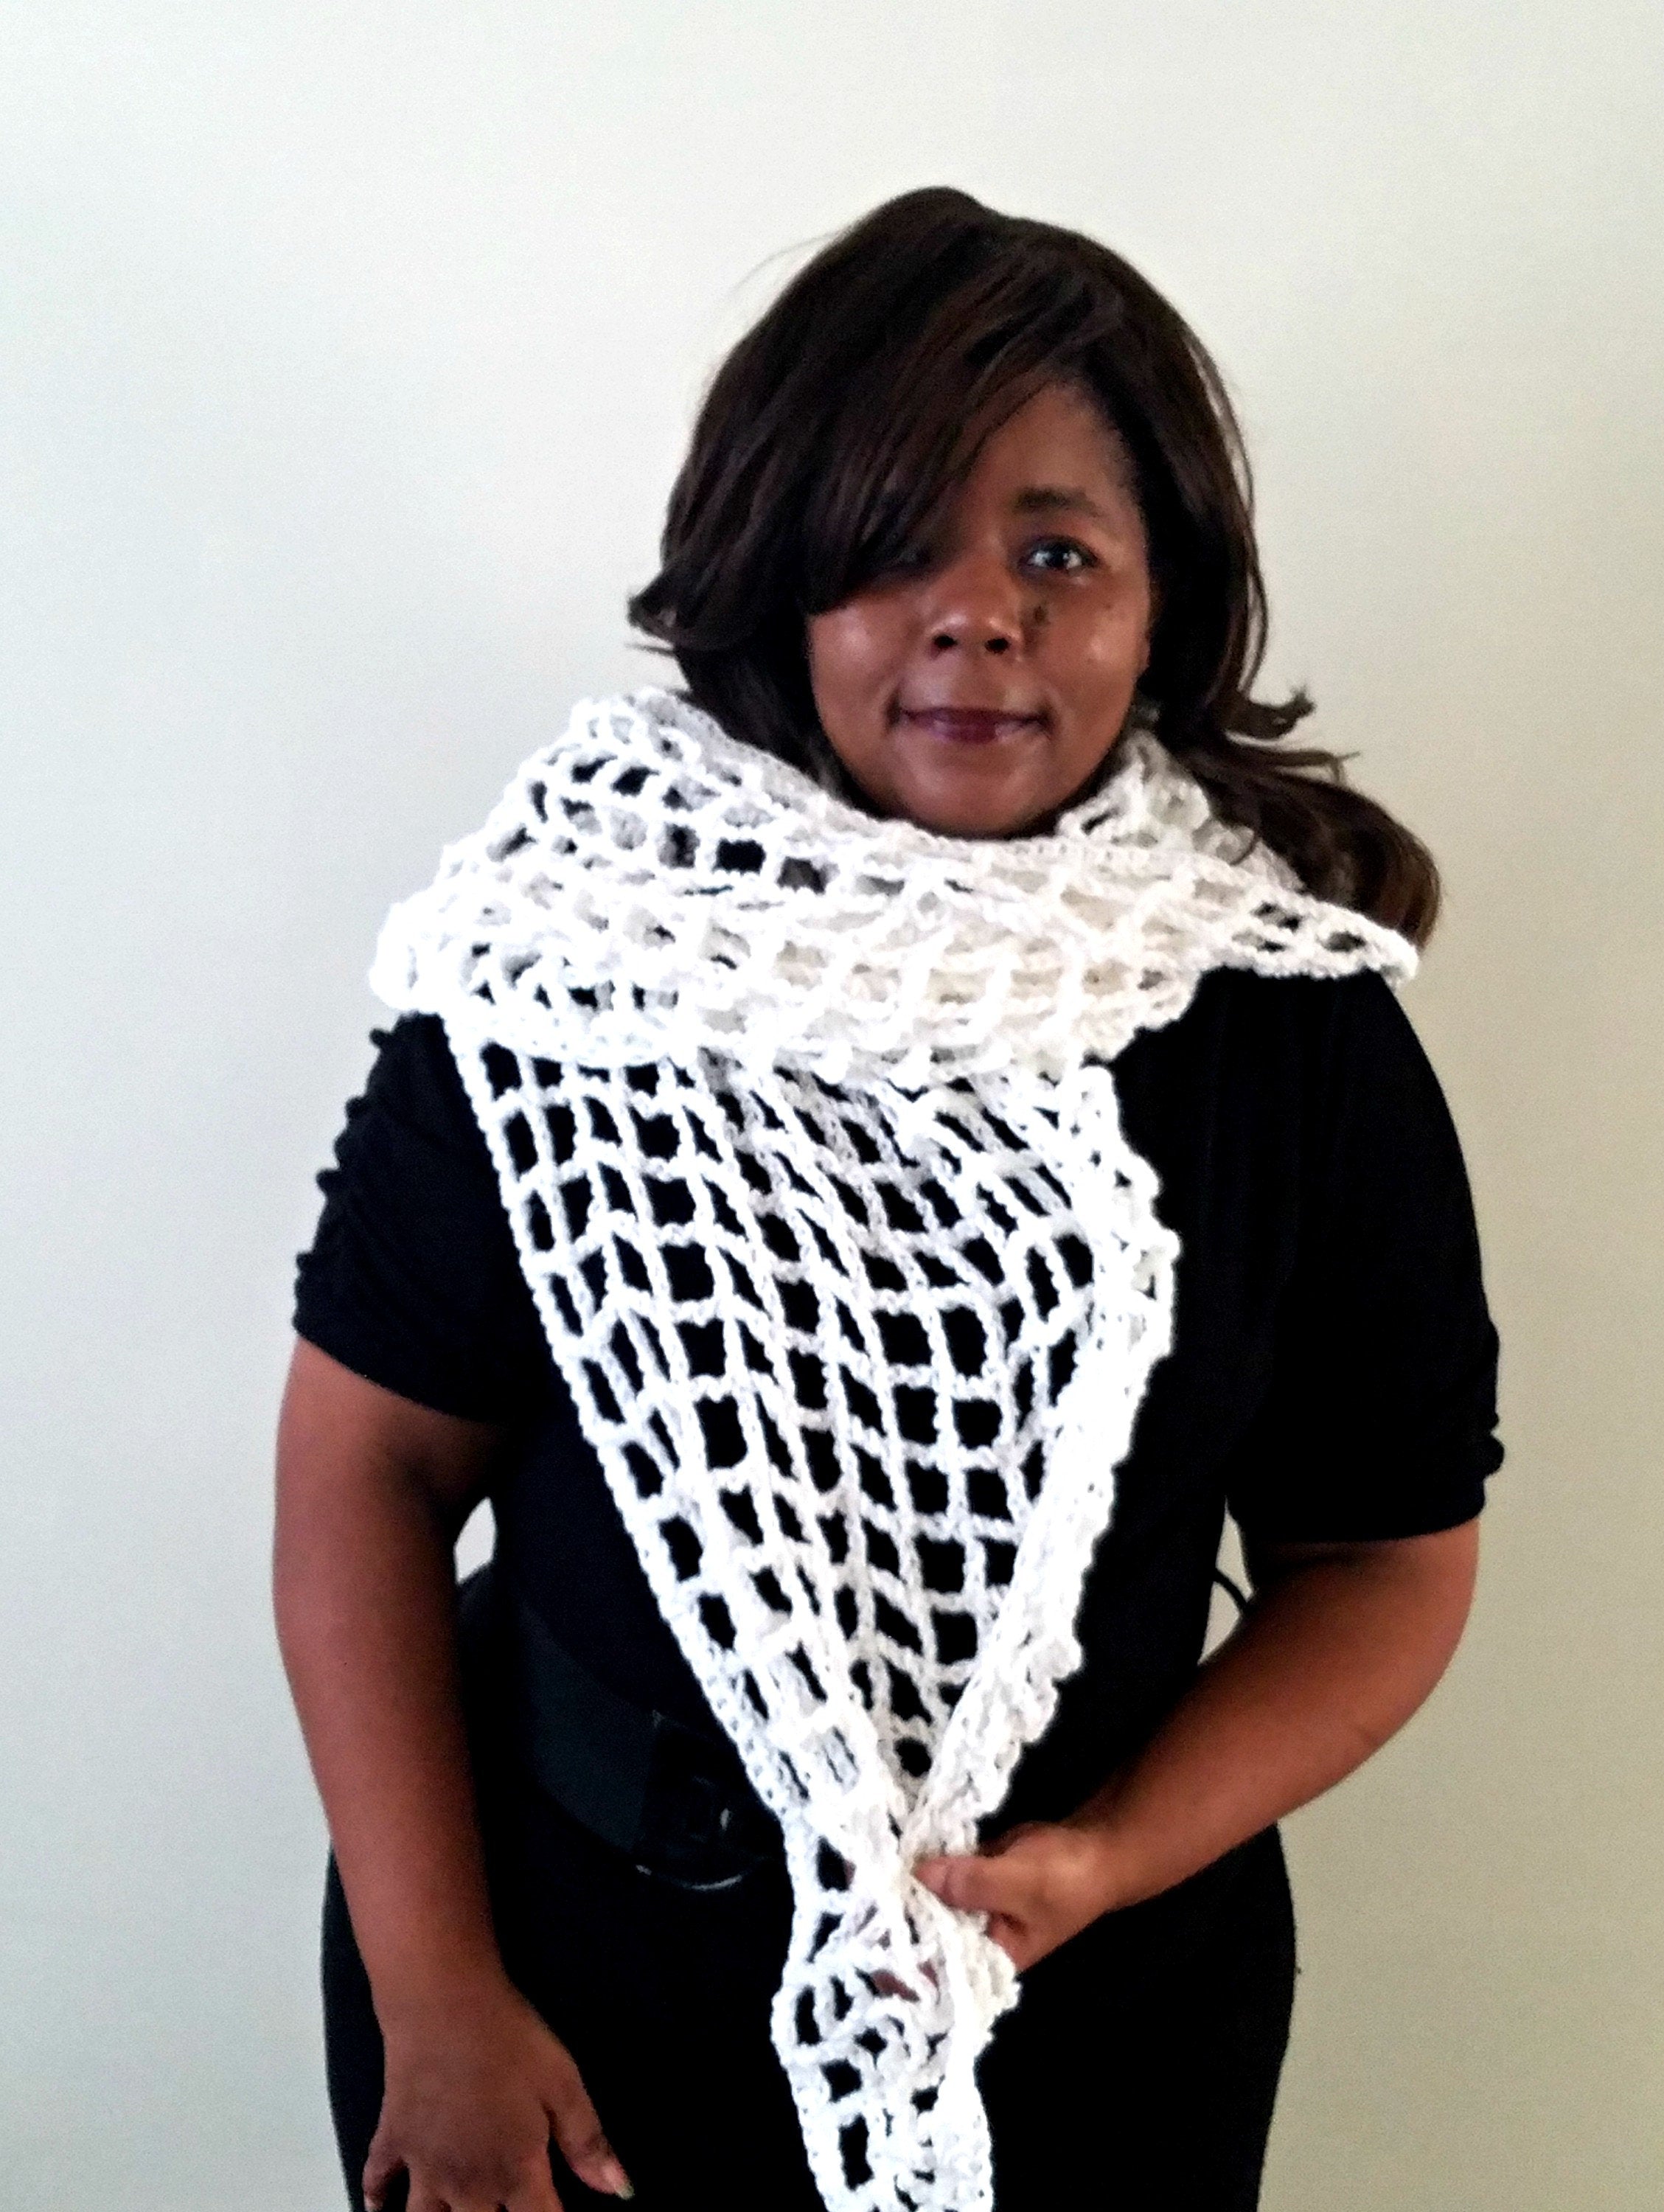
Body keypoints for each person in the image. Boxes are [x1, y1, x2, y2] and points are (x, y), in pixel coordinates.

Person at [276, 187, 1502, 2212]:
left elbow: (1381, 1562)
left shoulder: (1290, 1033)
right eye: (893, 545)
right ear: (782, 579)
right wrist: (436, 1996)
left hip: (1097, 2001)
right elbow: (368, 1473)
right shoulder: (577, 964)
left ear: (1163, 601)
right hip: (557, 1991)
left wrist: (1110, 1857)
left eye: (1056, 553)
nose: (979, 615)